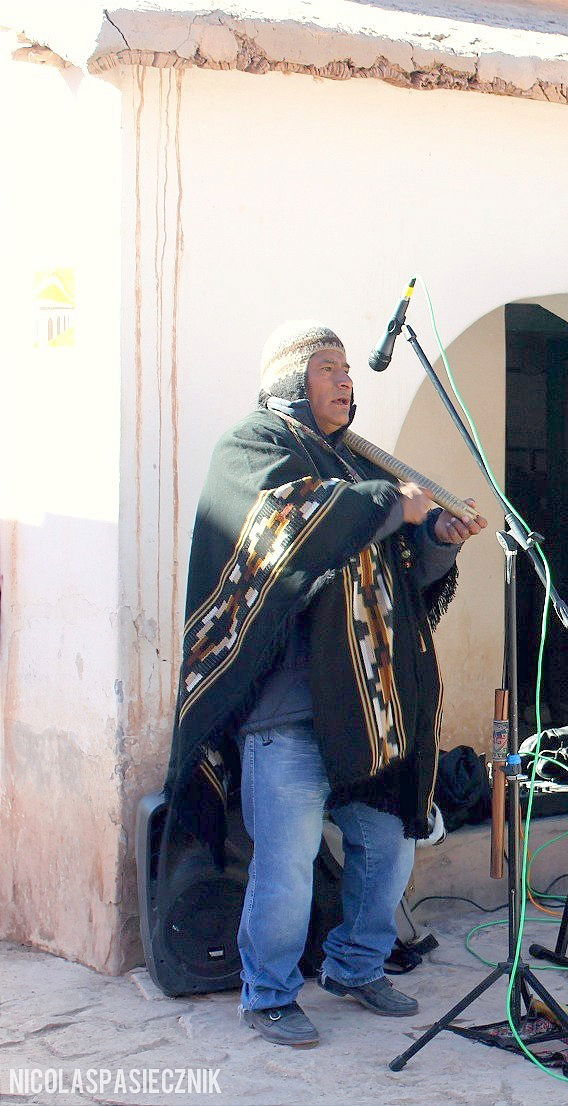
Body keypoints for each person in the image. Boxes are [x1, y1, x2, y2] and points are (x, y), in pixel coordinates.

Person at [162, 321, 484, 1046]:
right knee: (286, 862)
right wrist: (384, 504)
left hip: (371, 707)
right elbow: (287, 526)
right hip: (286, 710)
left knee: (389, 843)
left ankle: (355, 964)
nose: (346, 381)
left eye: (348, 371)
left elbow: (398, 578)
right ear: (290, 379)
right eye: (330, 368)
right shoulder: (254, 445)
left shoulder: (351, 465)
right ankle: (268, 991)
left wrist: (433, 540)